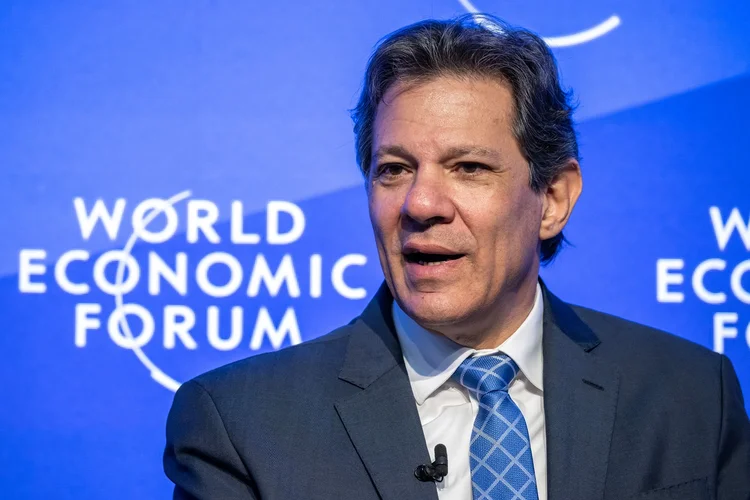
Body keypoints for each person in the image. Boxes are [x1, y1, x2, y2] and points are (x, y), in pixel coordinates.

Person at [163, 15, 750, 500]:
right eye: (393, 170)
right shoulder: (240, 424)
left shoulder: (694, 395)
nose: (421, 203)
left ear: (552, 198)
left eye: (469, 168)